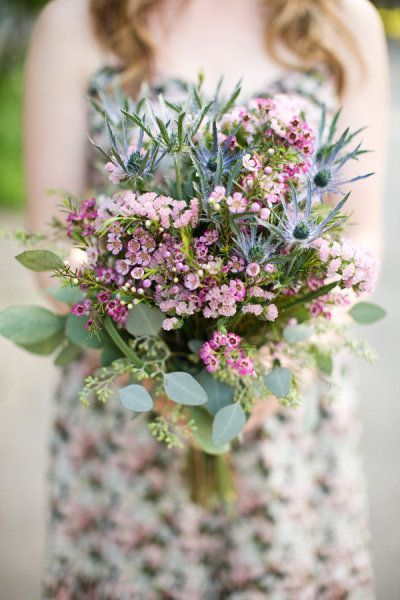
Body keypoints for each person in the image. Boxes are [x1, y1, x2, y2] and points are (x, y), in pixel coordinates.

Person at [24, 0, 388, 597]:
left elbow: (360, 234)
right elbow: (56, 235)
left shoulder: (344, 19)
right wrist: (158, 360)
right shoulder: (76, 20)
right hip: (129, 404)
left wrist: (276, 359)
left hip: (288, 411)